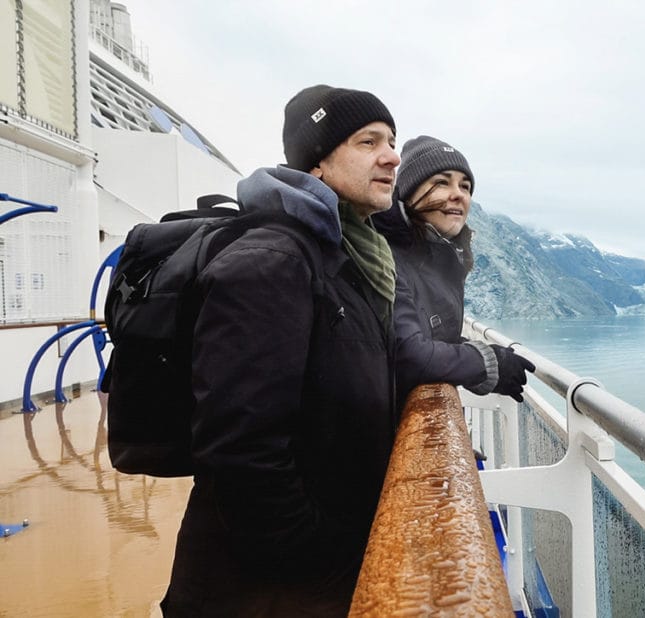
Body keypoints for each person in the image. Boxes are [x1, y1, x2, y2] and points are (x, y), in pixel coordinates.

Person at [161, 85, 400, 616]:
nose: (391, 155)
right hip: (264, 587)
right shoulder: (272, 261)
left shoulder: (346, 259)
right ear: (316, 163)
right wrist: (314, 557)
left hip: (310, 568)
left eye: (392, 140)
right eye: (368, 141)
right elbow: (239, 450)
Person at [373, 135, 534, 407]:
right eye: (441, 182)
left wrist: (484, 359)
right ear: (409, 193)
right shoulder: (387, 255)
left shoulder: (440, 258)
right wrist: (488, 363)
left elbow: (429, 336)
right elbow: (407, 355)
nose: (459, 194)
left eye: (466, 186)